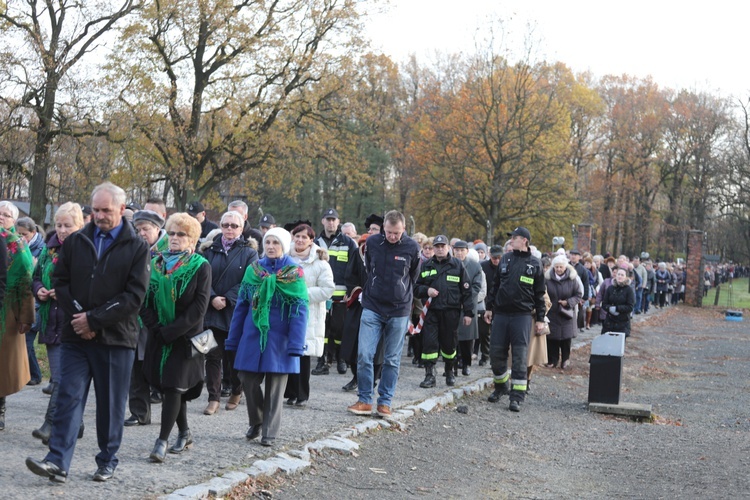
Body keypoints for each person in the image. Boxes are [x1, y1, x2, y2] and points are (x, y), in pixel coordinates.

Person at [25, 182, 150, 484]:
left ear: (122, 209)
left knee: (109, 404)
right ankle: (57, 461)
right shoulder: (77, 240)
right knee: (67, 395)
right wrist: (81, 318)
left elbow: (134, 296)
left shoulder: (137, 246)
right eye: (95, 209)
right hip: (75, 337)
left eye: (106, 210)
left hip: (115, 339)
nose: (100, 215)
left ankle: (107, 459)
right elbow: (61, 281)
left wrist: (94, 320)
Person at [226, 227, 308, 446]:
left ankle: (269, 433)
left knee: (275, 389)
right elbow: (241, 307)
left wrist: (296, 344)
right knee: (247, 379)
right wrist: (233, 338)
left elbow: (300, 311)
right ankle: (257, 420)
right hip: (253, 336)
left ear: (284, 245)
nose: (271, 247)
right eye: (268, 243)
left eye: (276, 243)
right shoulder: (254, 271)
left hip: (281, 339)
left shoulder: (294, 273)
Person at [141, 213, 211, 462]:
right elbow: (143, 299)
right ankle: (185, 432)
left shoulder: (201, 265)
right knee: (172, 387)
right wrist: (156, 328)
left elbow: (199, 308)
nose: (174, 238)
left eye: (181, 234)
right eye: (171, 233)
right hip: (158, 335)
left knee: (173, 386)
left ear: (192, 239)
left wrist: (171, 332)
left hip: (184, 339)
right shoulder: (155, 262)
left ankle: (161, 441)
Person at [347, 210, 420, 418]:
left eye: (396, 233)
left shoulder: (412, 248)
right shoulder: (373, 244)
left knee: (391, 358)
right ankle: (364, 399)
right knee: (364, 354)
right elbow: (370, 269)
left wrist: (402, 293)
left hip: (399, 309)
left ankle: (385, 401)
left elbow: (413, 276)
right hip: (373, 306)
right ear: (384, 228)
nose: (392, 236)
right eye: (388, 232)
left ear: (403, 229)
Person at [31, 203, 86, 442]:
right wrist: (40, 289)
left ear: (79, 226)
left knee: (62, 378)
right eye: (59, 225)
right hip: (49, 319)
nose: (62, 230)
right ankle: (77, 422)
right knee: (58, 377)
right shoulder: (49, 248)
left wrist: (62, 292)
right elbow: (35, 277)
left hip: (71, 319)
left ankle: (51, 423)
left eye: (68, 225)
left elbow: (87, 285)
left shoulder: (85, 249)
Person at [202, 211, 259, 415]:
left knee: (234, 356)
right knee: (212, 356)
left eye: (234, 226)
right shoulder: (208, 249)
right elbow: (202, 277)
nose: (229, 229)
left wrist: (226, 299)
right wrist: (212, 297)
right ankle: (213, 397)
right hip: (211, 311)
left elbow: (249, 279)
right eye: (226, 225)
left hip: (235, 311)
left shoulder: (249, 252)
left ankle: (236, 390)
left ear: (241, 228)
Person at [483, 227, 546, 412]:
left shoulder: (535, 264)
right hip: (501, 315)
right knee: (495, 354)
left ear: (525, 240)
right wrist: (489, 307)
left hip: (522, 316)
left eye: (515, 238)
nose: (511, 240)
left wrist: (541, 318)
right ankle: (501, 386)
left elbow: (540, 294)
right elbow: (495, 286)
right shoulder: (505, 259)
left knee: (519, 358)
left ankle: (517, 396)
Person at [120, 209, 167, 427]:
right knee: (134, 367)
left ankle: (171, 411)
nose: (141, 233)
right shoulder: (132, 249)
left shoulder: (168, 251)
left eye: (145, 229)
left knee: (159, 366)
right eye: (137, 229)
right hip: (133, 317)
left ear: (157, 229)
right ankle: (139, 412)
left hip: (158, 318)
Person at [284, 224, 334, 407]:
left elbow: (328, 289)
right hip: (286, 312)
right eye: (297, 236)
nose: (300, 240)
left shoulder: (320, 263)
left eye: (304, 237)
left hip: (308, 313)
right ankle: (289, 392)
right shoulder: (285, 258)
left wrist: (302, 294)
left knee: (303, 354)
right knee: (287, 352)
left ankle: (302, 394)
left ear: (311, 240)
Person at [413, 235, 473, 388]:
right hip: (431, 312)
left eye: (442, 246)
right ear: (433, 248)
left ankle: (449, 370)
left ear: (448, 248)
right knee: (429, 344)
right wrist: (427, 290)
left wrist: (468, 313)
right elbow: (416, 288)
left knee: (449, 344)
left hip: (451, 311)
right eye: (437, 246)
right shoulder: (426, 265)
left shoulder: (457, 265)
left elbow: (466, 290)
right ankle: (429, 375)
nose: (440, 249)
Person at [0, 200, 35, 431]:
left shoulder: (18, 245)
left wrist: (25, 317)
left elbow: (26, 283)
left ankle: (0, 409)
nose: (1, 218)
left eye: (6, 215)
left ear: (14, 221)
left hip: (8, 310)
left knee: (3, 366)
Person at [311, 208, 357, 376]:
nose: (331, 222)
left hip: (341, 295)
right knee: (322, 329)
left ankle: (340, 359)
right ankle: (322, 361)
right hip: (320, 295)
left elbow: (355, 268)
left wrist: (351, 291)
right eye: (328, 219)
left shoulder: (348, 242)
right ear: (323, 221)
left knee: (340, 329)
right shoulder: (315, 243)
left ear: (339, 222)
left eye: (333, 219)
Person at [16, 216, 45, 386]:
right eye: (18, 234)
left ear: (33, 233)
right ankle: (32, 373)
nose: (20, 238)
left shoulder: (41, 249)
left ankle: (35, 374)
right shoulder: (19, 246)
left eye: (24, 234)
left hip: (37, 302)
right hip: (25, 299)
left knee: (28, 340)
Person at [452, 241, 486, 377]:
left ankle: (466, 365)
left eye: (462, 250)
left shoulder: (475, 266)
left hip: (468, 307)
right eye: (457, 250)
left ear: (467, 251)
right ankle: (452, 366)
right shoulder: (449, 264)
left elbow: (476, 287)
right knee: (452, 340)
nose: (459, 253)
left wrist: (464, 300)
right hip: (452, 306)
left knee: (467, 340)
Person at [544, 254, 583, 370]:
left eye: (561, 267)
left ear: (565, 267)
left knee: (566, 339)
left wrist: (568, 302)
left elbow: (578, 295)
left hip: (566, 313)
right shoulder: (547, 279)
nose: (559, 269)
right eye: (556, 267)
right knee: (552, 338)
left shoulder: (572, 279)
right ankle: (552, 360)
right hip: (552, 312)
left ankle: (565, 360)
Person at [477, 245, 502, 366]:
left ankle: (494, 357)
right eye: (494, 257)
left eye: (498, 257)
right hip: (486, 302)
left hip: (501, 304)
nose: (496, 260)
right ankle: (485, 354)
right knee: (484, 332)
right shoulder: (483, 267)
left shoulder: (506, 267)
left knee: (497, 334)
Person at [602, 266, 636, 337]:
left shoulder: (629, 290)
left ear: (626, 277)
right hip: (609, 322)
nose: (620, 276)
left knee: (618, 346)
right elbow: (604, 304)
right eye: (618, 274)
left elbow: (630, 306)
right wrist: (610, 308)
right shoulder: (610, 288)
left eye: (622, 275)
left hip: (623, 323)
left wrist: (617, 308)